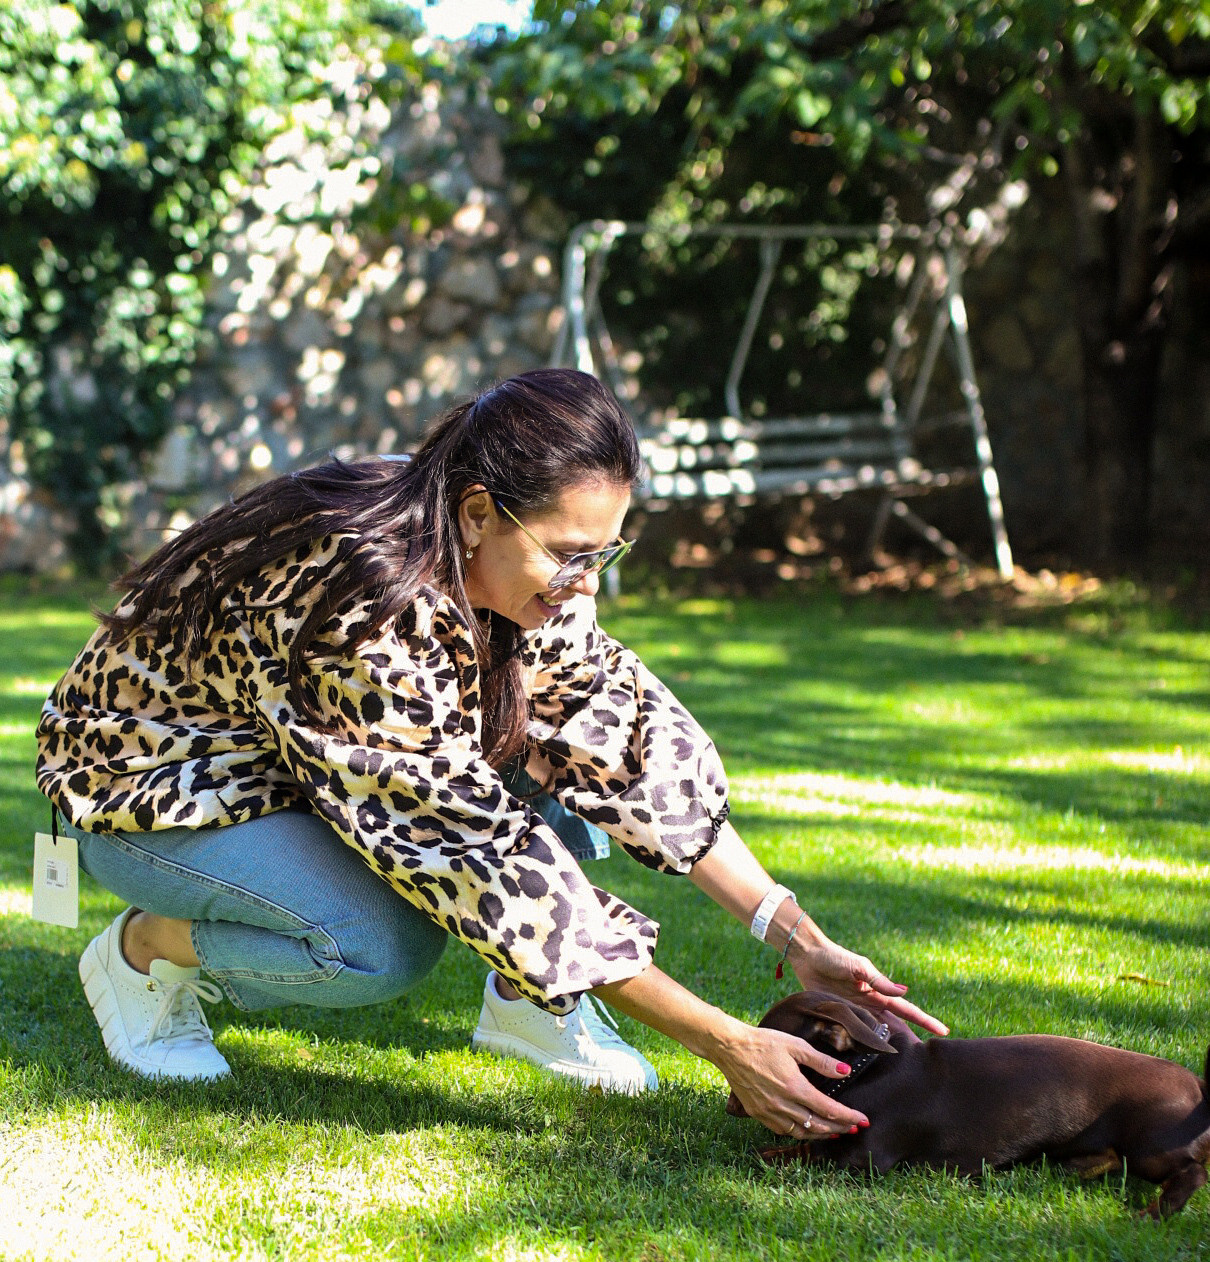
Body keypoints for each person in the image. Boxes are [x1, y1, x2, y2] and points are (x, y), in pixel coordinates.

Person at [35, 369, 944, 1139]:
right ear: (479, 513)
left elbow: (624, 742)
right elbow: (477, 860)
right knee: (375, 947)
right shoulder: (362, 606)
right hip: (160, 793)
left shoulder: (508, 563)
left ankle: (535, 1009)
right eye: (570, 555)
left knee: (554, 743)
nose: (588, 584)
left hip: (301, 771)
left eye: (606, 552)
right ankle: (143, 954)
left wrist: (796, 934)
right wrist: (725, 1042)